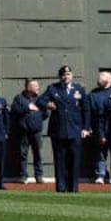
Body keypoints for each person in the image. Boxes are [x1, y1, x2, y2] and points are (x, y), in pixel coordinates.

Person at [43, 65, 88, 193]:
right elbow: (41, 100)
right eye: (63, 74)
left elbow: (86, 109)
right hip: (58, 130)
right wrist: (47, 104)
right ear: (60, 76)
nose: (66, 77)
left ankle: (73, 188)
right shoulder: (53, 88)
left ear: (72, 75)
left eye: (68, 74)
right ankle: (61, 187)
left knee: (74, 160)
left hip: (75, 129)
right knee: (60, 161)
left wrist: (85, 128)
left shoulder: (79, 89)